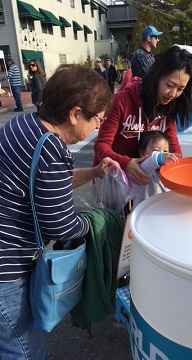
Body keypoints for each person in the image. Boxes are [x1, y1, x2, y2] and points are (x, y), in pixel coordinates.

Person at [0, 64, 118, 359]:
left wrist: (93, 173)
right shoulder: (53, 147)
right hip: (8, 270)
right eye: (97, 121)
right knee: (23, 349)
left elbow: (42, 181)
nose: (97, 129)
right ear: (75, 114)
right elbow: (61, 226)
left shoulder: (24, 125)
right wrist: (95, 225)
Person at [93, 45, 192, 186]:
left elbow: (173, 145)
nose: (173, 94)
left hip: (143, 182)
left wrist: (176, 167)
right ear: (157, 76)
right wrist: (125, 164)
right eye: (170, 85)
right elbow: (101, 146)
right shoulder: (121, 101)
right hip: (113, 180)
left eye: (180, 89)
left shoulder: (168, 109)